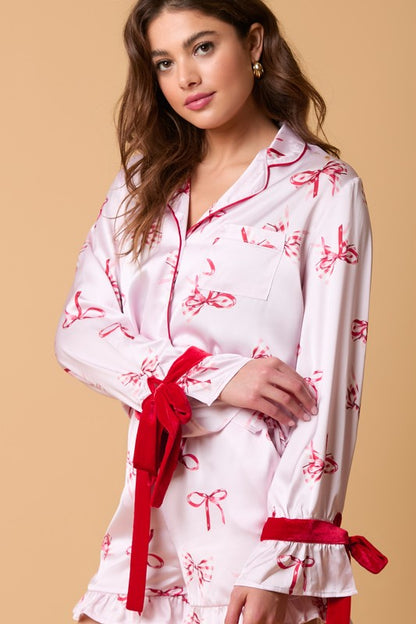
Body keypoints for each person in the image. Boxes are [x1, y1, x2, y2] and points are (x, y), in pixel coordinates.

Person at [55, 1, 387, 623]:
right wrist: (215, 376)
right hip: (143, 533)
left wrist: (282, 560)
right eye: (164, 62)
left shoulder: (323, 189)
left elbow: (329, 392)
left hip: (252, 538)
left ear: (254, 43)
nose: (186, 77)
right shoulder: (140, 184)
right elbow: (78, 335)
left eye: (203, 47)